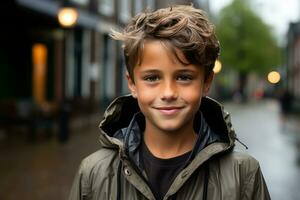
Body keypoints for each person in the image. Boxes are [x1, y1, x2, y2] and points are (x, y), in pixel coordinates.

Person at [69, 5, 270, 200]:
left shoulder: (243, 175)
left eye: (184, 77)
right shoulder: (93, 174)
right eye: (152, 78)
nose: (168, 93)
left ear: (206, 82)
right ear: (132, 84)